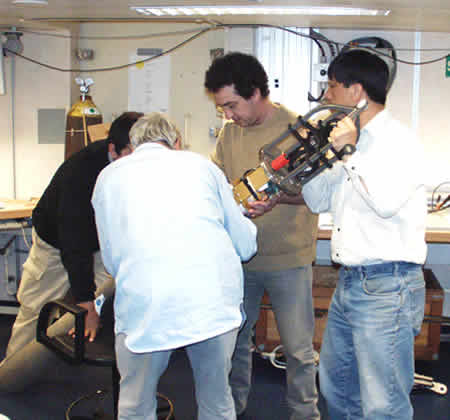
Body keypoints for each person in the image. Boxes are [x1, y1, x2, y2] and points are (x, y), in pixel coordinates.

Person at [92, 112, 257, 420]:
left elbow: (112, 260)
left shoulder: (109, 177)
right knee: (216, 400)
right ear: (177, 142)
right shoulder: (203, 167)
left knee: (135, 404)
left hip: (147, 301)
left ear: (133, 144)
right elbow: (246, 247)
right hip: (211, 301)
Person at [301, 49, 427, 419]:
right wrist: (314, 156)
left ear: (356, 91)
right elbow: (316, 200)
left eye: (332, 86)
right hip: (351, 283)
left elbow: (386, 202)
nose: (326, 96)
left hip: (388, 286)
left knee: (383, 402)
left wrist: (349, 152)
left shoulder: (399, 142)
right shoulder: (346, 142)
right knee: (337, 387)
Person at [204, 52, 320, 420]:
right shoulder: (229, 133)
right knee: (236, 342)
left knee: (300, 349)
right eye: (222, 107)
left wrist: (279, 198)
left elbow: (319, 193)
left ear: (255, 92)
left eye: (231, 105)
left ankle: (305, 415)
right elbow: (218, 184)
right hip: (242, 260)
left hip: (289, 259)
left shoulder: (298, 130)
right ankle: (232, 410)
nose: (228, 114)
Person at [3, 111, 143, 358]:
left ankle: (80, 352)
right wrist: (85, 303)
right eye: (133, 154)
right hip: (56, 242)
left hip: (102, 240)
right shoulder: (81, 172)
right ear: (113, 149)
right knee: (37, 309)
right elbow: (73, 243)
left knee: (107, 303)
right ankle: (10, 378)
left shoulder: (139, 165)